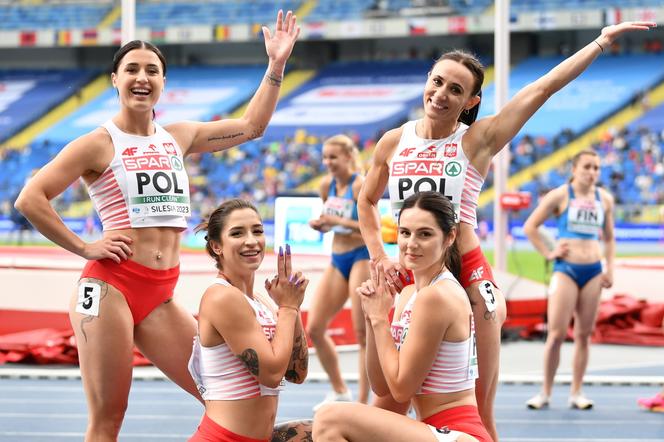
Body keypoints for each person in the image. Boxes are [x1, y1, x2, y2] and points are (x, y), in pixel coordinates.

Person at [356, 21, 654, 439]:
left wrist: (600, 43)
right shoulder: (392, 141)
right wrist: (379, 255)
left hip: (468, 274)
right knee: (386, 404)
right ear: (427, 80)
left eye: (455, 90)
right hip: (408, 274)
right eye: (438, 82)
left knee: (478, 407)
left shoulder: (479, 139)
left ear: (470, 100)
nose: (441, 95)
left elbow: (542, 89)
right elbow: (366, 201)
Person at [13, 10, 299, 440]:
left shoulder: (178, 136)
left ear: (164, 82)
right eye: (131, 69)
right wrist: (85, 247)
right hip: (109, 288)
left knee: (229, 397)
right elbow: (30, 198)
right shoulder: (97, 144)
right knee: (109, 419)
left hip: (160, 292)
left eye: (152, 70)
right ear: (115, 79)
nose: (142, 77)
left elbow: (252, 127)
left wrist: (275, 65)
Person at [313, 191, 491, 442]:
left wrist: (379, 320)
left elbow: (401, 389)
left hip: (457, 433)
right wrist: (371, 314)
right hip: (430, 430)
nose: (411, 243)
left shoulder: (437, 296)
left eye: (425, 234)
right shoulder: (409, 294)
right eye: (405, 232)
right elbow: (381, 385)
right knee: (305, 430)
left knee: (329, 418)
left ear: (450, 237)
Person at [188, 198, 311, 441]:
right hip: (223, 438)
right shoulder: (221, 296)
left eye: (258, 231)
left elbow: (297, 374)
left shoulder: (260, 301)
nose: (252, 241)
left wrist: (291, 308)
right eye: (237, 233)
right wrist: (287, 307)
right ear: (217, 246)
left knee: (331, 428)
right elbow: (272, 375)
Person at [523, 149, 615, 410]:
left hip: (593, 270)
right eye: (587, 167)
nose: (592, 172)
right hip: (566, 269)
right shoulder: (561, 195)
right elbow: (531, 226)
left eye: (596, 168)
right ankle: (545, 392)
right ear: (574, 170)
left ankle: (576, 392)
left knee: (584, 335)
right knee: (556, 333)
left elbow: (608, 238)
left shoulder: (605, 199)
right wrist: (549, 253)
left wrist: (610, 269)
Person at [307, 135, 371, 410]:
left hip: (361, 256)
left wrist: (337, 220)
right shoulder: (326, 185)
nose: (328, 163)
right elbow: (332, 222)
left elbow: (372, 227)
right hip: (338, 257)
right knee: (315, 328)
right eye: (325, 157)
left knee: (362, 334)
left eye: (333, 157)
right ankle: (340, 389)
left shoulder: (360, 184)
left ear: (348, 157)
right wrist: (323, 225)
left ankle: (363, 402)